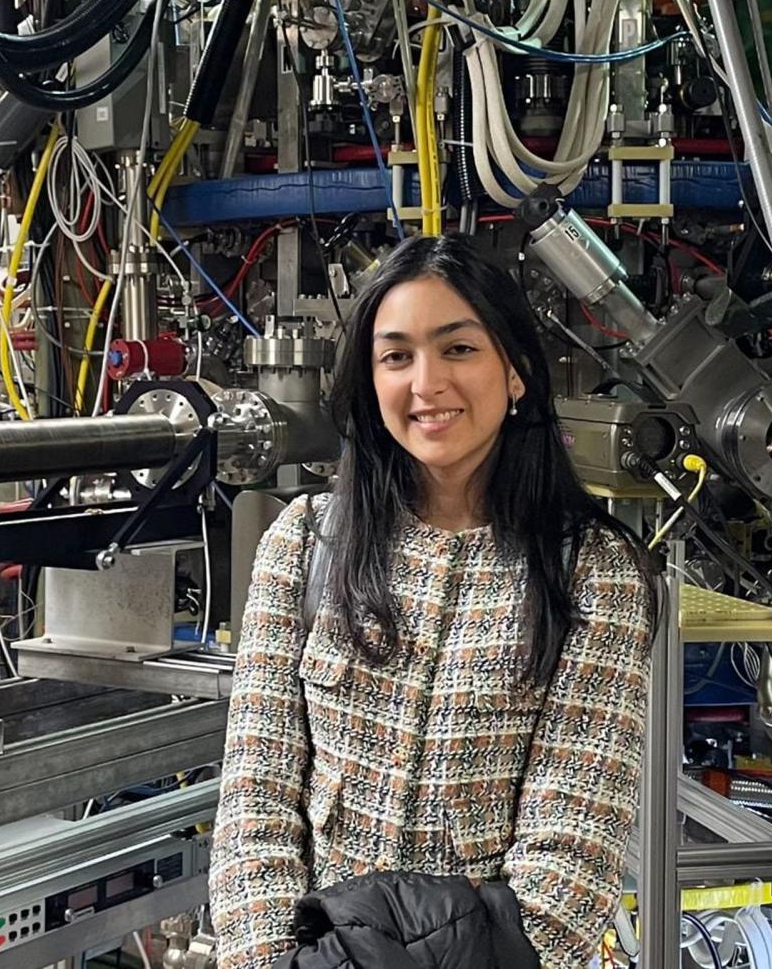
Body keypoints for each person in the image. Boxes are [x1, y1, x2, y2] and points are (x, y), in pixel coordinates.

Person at [209, 235, 655, 969]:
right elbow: (254, 807)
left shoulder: (591, 572)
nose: (426, 383)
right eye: (396, 355)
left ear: (513, 372)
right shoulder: (305, 543)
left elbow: (568, 871)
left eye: (458, 350)